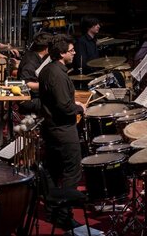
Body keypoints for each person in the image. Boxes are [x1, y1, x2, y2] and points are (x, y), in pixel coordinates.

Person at [38, 34, 86, 229]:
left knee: (52, 170)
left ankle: (52, 211)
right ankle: (63, 216)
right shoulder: (57, 74)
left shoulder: (48, 70)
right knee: (71, 172)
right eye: (71, 50)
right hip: (63, 130)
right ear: (61, 53)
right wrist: (80, 108)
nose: (74, 53)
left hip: (51, 128)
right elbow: (64, 107)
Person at [17, 31, 53, 115]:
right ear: (46, 48)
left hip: (37, 96)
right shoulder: (31, 61)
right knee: (57, 104)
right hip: (29, 99)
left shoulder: (37, 56)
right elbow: (26, 83)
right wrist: (49, 86)